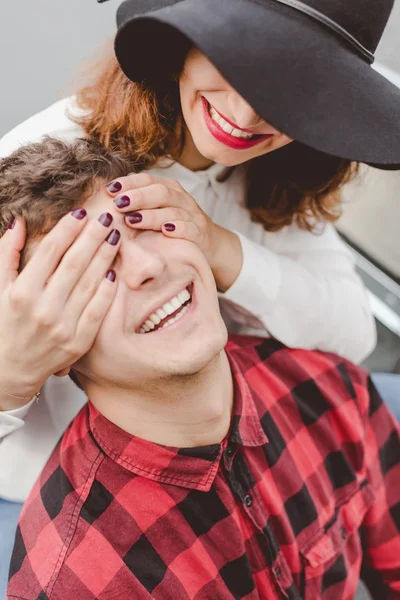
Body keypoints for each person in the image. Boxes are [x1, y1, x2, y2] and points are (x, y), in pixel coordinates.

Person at [1, 0, 400, 591]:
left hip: (234, 438)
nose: (244, 112)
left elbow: (352, 336)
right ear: (180, 41)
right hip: (50, 488)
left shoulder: (279, 170)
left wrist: (219, 248)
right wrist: (9, 372)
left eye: (289, 85)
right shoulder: (42, 163)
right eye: (235, 61)